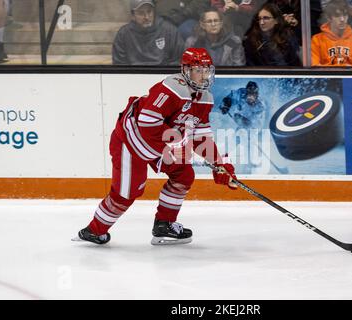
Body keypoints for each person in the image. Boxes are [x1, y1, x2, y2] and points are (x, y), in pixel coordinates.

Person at [77, 48, 238, 246]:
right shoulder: (171, 89)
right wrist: (176, 140)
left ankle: (165, 224)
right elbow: (146, 121)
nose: (204, 76)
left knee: (184, 174)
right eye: (198, 70)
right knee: (127, 194)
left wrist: (219, 164)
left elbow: (200, 136)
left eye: (207, 70)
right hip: (131, 140)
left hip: (161, 145)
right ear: (185, 70)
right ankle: (93, 231)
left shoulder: (205, 98)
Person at [112, 0, 185, 65]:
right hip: (133, 76)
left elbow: (179, 60)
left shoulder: (169, 31)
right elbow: (119, 64)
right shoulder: (123, 34)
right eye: (141, 13)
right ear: (133, 15)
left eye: (149, 11)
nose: (146, 17)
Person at [311, 0, 352, 66]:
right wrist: (346, 66)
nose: (342, 19)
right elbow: (315, 69)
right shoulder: (317, 40)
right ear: (329, 18)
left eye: (345, 15)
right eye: (337, 16)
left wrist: (326, 66)